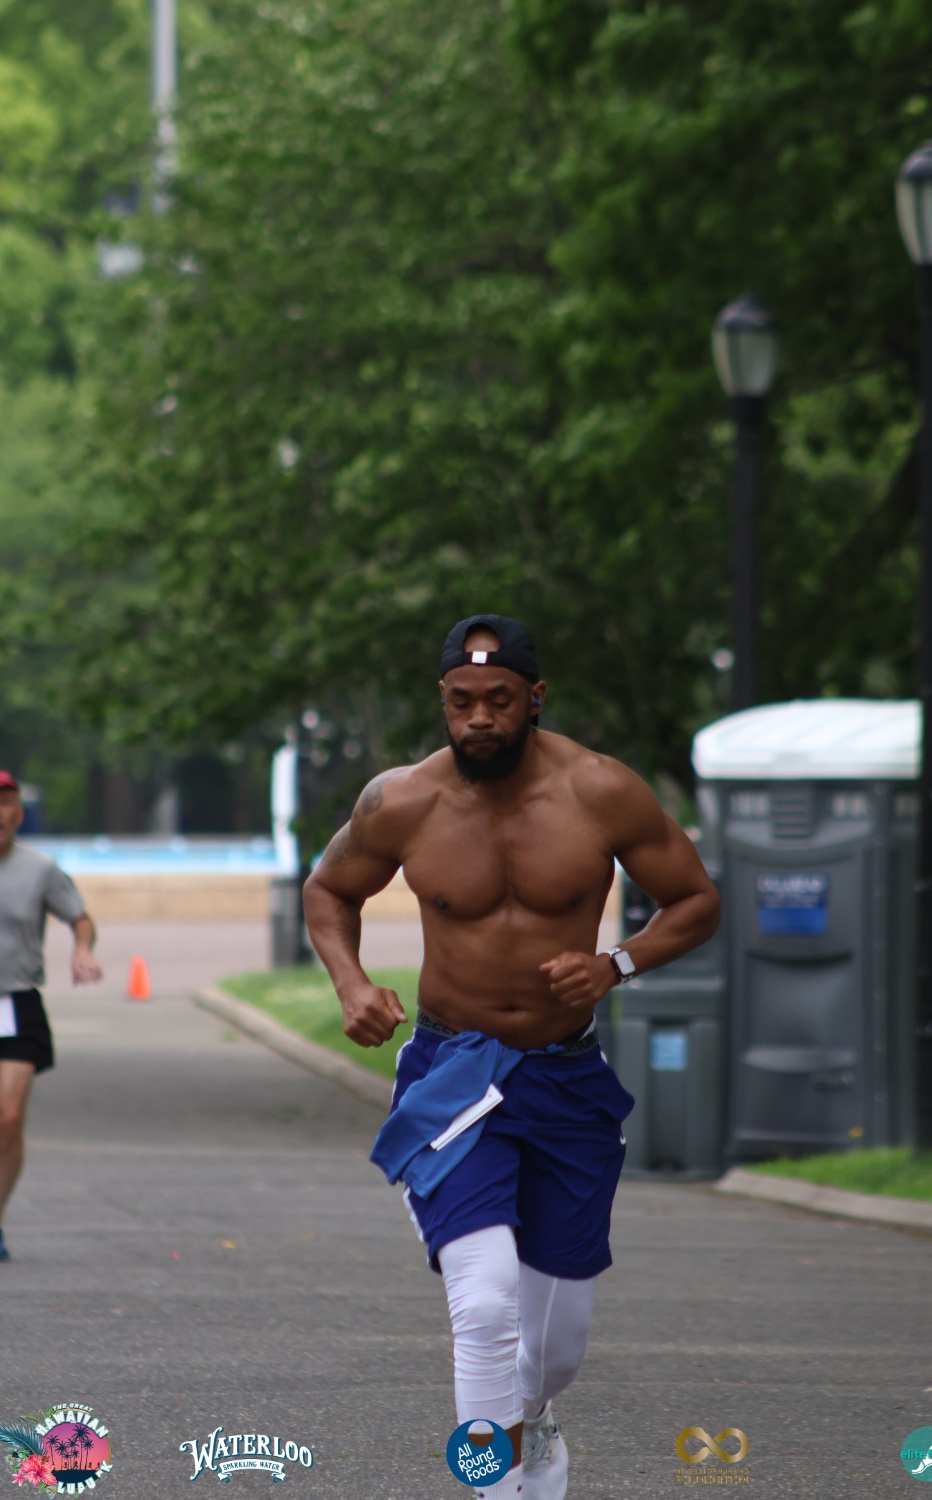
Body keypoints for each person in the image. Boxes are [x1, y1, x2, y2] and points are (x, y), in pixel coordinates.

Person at [304, 615, 720, 1498]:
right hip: (453, 1073)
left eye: (498, 699)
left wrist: (615, 964)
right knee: (486, 1298)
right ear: (443, 700)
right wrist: (351, 984)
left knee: (555, 1348)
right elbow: (329, 889)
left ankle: (534, 1419)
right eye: (462, 701)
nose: (479, 718)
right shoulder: (401, 801)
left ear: (535, 698)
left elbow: (695, 901)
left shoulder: (600, 790)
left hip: (565, 1079)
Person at [0, 770, 103, 1262]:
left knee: (8, 1120)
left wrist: (82, 950)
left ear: (19, 813)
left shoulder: (41, 869)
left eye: (6, 804)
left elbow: (80, 917)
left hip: (15, 1004)